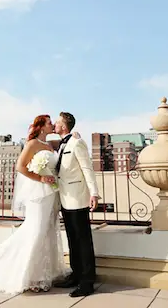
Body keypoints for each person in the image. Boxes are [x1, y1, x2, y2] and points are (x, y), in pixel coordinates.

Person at [0, 114, 70, 294]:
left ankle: (45, 273)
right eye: (50, 123)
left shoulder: (49, 145)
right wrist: (41, 177)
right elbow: (20, 167)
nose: (53, 125)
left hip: (51, 193)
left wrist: (73, 136)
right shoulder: (32, 144)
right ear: (41, 127)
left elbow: (65, 143)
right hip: (38, 193)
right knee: (36, 231)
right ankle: (31, 276)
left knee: (48, 231)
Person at [53, 111, 100, 297]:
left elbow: (87, 169)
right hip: (65, 198)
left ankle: (87, 282)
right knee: (72, 239)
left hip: (78, 198)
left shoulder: (77, 143)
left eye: (57, 122)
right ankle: (76, 274)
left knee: (83, 240)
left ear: (64, 125)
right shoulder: (62, 143)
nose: (55, 125)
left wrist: (94, 193)